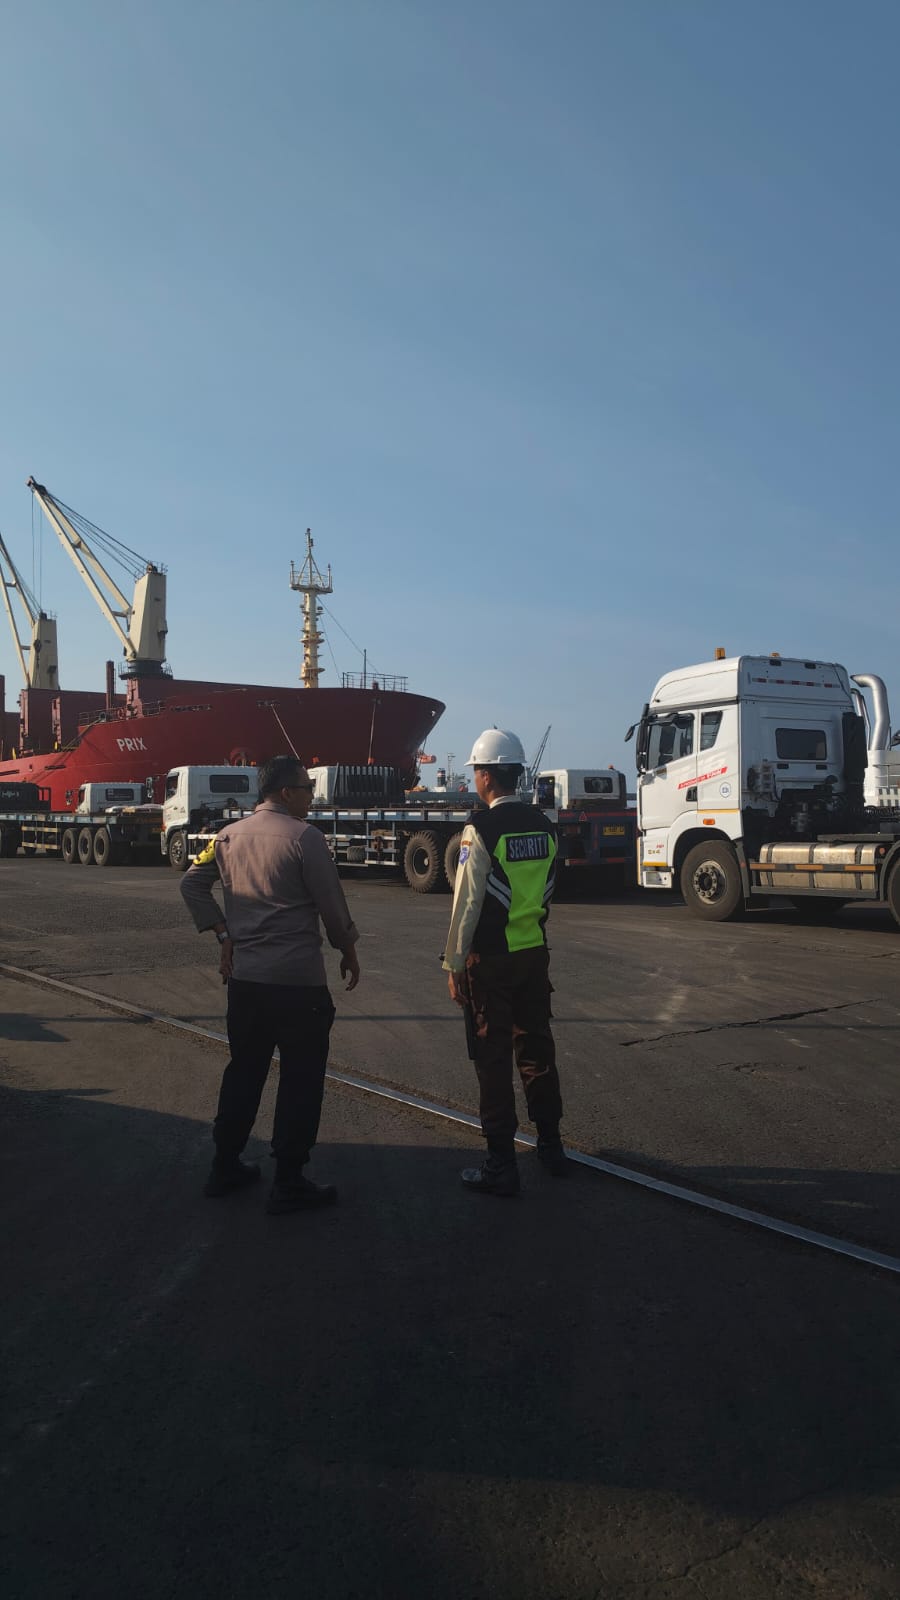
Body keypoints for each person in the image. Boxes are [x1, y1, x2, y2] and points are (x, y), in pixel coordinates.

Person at [180, 753, 360, 1214]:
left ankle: (224, 1166)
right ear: (285, 792)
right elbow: (332, 907)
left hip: (246, 984)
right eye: (307, 789)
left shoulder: (226, 837)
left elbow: (191, 885)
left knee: (244, 1072)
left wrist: (223, 934)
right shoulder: (305, 838)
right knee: (300, 1080)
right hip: (298, 986)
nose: (311, 797)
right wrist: (348, 949)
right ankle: (289, 1180)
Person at [443, 727, 567, 1196]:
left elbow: (466, 904)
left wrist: (454, 963)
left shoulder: (480, 830)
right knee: (536, 1050)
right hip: (534, 954)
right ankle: (551, 1146)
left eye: (476, 770)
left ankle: (500, 1163)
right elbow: (548, 888)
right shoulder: (544, 826)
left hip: (492, 960)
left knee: (492, 1058)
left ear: (486, 777)